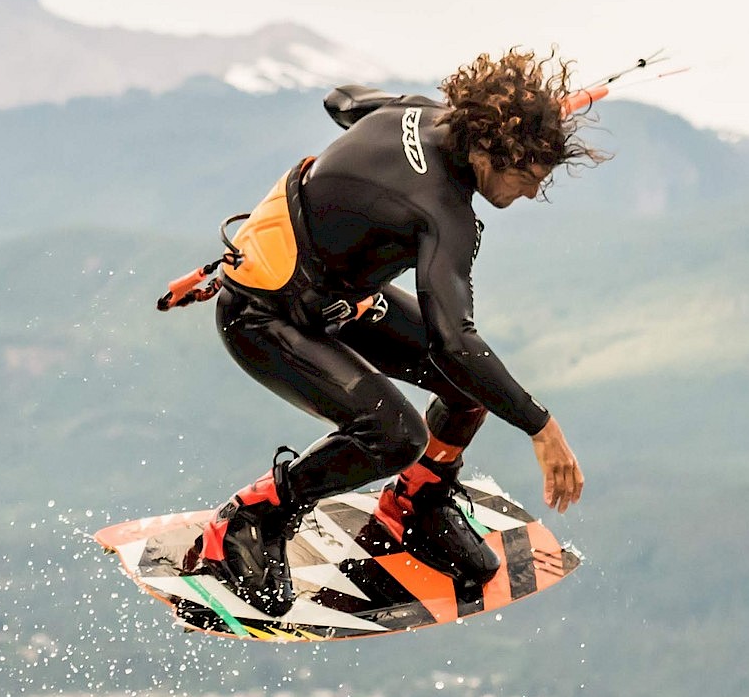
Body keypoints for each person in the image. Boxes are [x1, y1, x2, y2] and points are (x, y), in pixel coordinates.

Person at [189, 48, 594, 616]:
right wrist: (542, 427)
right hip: (262, 315)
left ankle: (415, 507)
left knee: (469, 389)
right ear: (488, 148)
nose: (530, 193)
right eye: (527, 177)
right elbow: (456, 341)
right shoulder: (444, 213)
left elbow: (342, 100)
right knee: (395, 433)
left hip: (340, 299)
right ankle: (250, 519)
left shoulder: (417, 113)